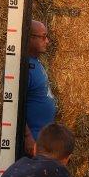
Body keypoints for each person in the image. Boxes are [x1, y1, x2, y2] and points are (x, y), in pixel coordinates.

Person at [25, 20, 57, 155]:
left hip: (43, 139)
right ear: (30, 38)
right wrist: (27, 137)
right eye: (43, 37)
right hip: (33, 141)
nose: (47, 41)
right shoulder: (23, 67)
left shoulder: (36, 63)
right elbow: (14, 107)